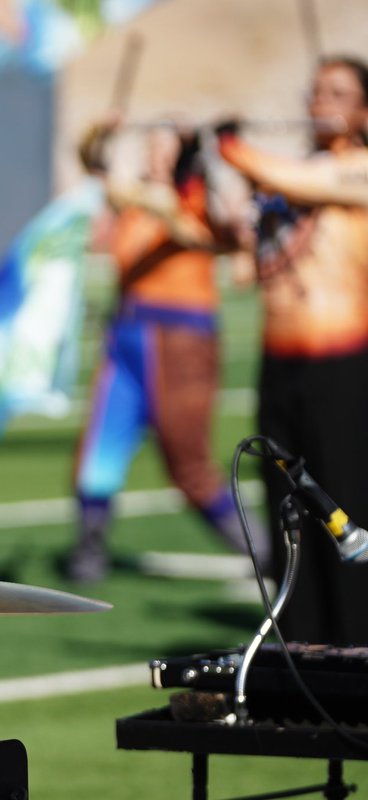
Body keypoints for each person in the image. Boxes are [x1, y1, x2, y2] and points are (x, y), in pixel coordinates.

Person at [64, 118, 265, 584]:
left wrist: (209, 160)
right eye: (150, 146)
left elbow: (213, 232)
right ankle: (88, 549)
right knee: (98, 450)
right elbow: (100, 180)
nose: (154, 155)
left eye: (165, 147)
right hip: (126, 335)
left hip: (181, 341)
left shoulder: (194, 200)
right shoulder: (135, 200)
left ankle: (267, 554)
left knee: (190, 468)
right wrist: (97, 140)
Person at [218, 55, 368, 645]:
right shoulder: (289, 182)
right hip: (280, 366)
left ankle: (356, 640)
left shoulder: (354, 170)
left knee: (345, 499)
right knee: (289, 508)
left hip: (343, 366)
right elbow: (237, 253)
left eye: (338, 93)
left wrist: (232, 146)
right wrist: (196, 166)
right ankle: (301, 641)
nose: (321, 102)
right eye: (316, 92)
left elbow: (292, 177)